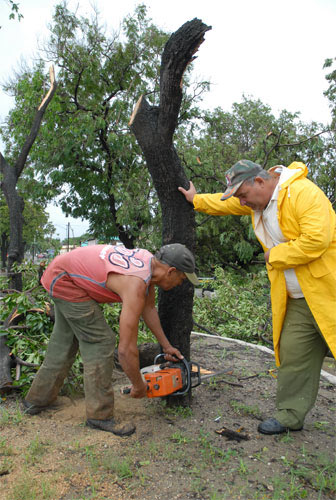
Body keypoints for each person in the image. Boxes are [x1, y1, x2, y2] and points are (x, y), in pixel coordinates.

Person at [178, 159, 336, 435]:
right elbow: (228, 203)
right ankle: (289, 415)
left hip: (329, 293)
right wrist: (196, 200)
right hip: (297, 299)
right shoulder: (260, 200)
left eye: (243, 195)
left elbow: (316, 240)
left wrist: (273, 256)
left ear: (260, 182)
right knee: (292, 354)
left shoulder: (303, 193)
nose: (241, 203)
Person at [23, 243, 199, 436]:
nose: (180, 283)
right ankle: (100, 416)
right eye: (181, 278)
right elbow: (125, 350)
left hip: (61, 273)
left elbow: (148, 309)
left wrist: (166, 346)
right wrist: (138, 385)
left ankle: (36, 400)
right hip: (65, 280)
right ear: (171, 271)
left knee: (65, 342)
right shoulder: (136, 283)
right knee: (101, 341)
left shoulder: (148, 265)